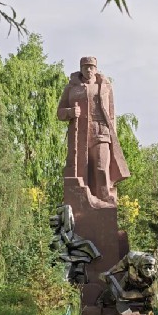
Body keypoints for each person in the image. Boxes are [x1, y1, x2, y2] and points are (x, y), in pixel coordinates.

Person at [57, 56, 129, 204]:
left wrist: (113, 135)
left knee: (101, 166)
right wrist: (70, 112)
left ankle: (104, 195)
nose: (89, 70)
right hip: (80, 135)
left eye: (91, 67)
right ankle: (85, 200)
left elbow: (111, 114)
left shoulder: (104, 86)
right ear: (81, 69)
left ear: (96, 69)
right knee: (81, 170)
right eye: (85, 67)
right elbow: (60, 112)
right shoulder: (71, 87)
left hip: (101, 131)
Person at [98, 251, 158, 315]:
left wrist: (142, 294)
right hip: (130, 281)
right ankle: (102, 300)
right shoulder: (132, 258)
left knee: (155, 301)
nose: (148, 270)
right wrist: (110, 272)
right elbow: (121, 266)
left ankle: (148, 310)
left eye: (150, 268)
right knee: (115, 294)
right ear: (140, 266)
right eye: (145, 268)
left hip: (146, 288)